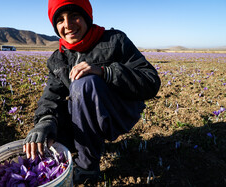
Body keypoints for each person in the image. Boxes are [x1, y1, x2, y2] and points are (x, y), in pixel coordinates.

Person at [23, 0, 161, 183]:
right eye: (60, 20)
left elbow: (150, 81)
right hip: (84, 114)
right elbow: (50, 97)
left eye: (74, 16)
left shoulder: (114, 41)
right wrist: (45, 122)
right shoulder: (59, 58)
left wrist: (106, 72)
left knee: (83, 84)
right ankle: (84, 145)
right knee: (49, 132)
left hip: (117, 112)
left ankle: (87, 167)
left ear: (87, 17)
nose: (68, 25)